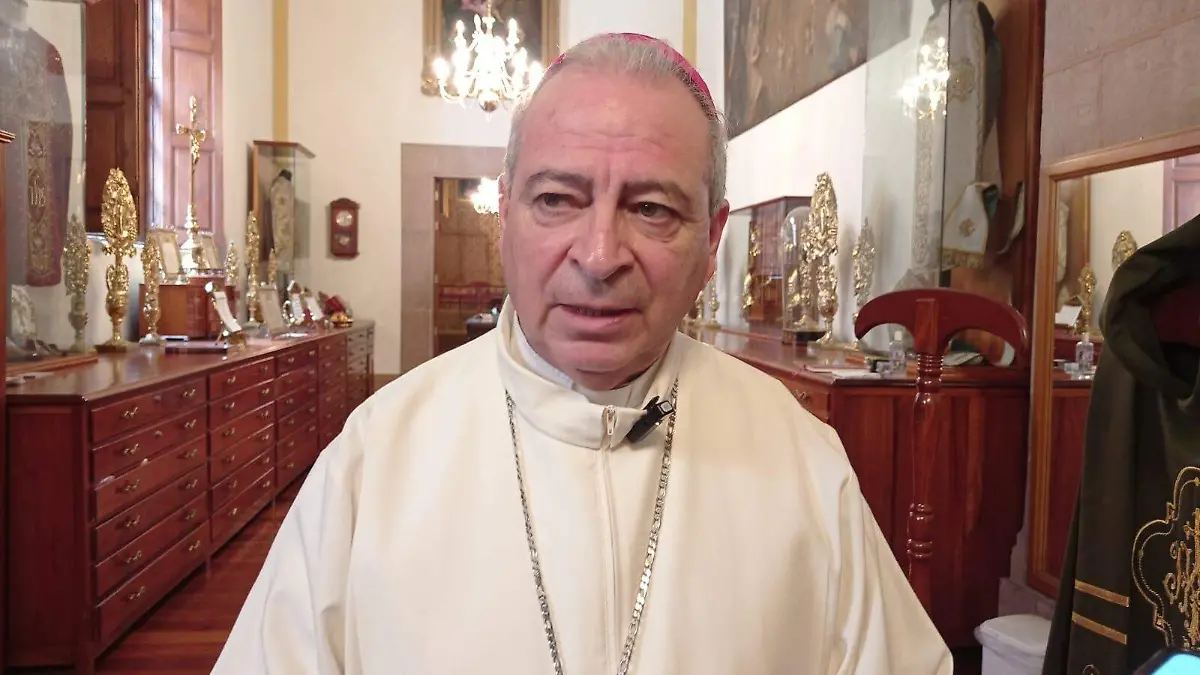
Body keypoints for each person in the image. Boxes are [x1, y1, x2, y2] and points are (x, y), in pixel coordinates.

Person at [213, 33, 952, 674]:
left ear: (711, 240)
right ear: (504, 215)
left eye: (652, 209)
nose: (599, 257)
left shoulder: (801, 460)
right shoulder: (375, 459)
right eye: (557, 200)